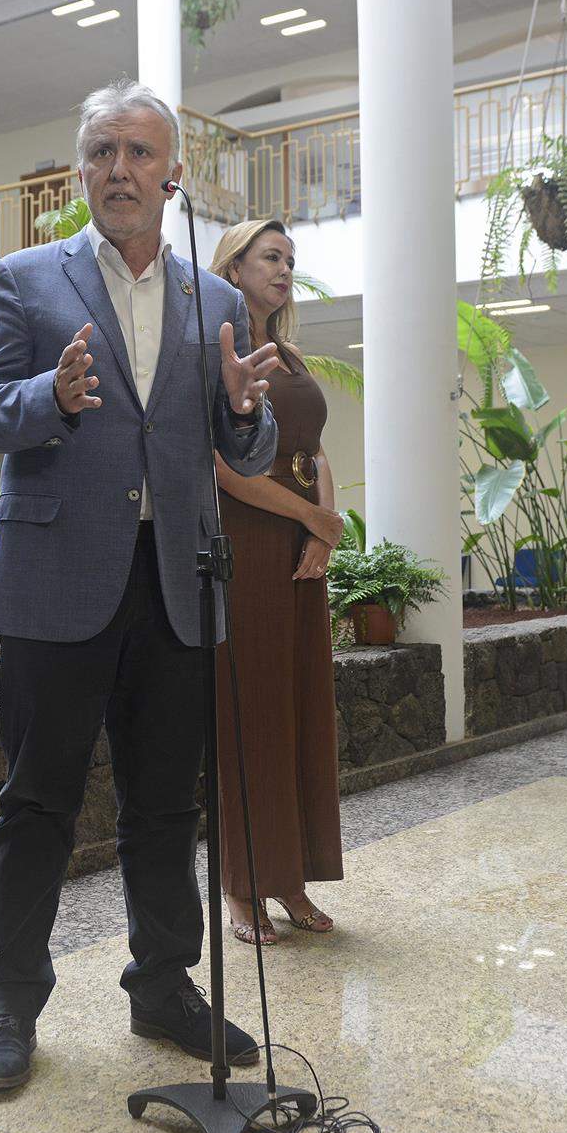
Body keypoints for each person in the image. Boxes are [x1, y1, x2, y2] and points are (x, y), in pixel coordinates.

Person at [0, 78, 282, 1093]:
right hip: (58, 582)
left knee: (164, 809)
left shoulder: (213, 297)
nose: (119, 171)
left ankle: (165, 986)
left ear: (173, 174)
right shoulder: (24, 280)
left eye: (140, 153)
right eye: (102, 153)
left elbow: (250, 449)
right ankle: (12, 1005)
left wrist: (238, 412)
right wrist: (47, 397)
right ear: (80, 169)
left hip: (175, 583)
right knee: (38, 803)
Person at [207, 220, 343, 946]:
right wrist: (311, 520)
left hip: (298, 546)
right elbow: (226, 470)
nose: (286, 269)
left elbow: (314, 448)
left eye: (291, 259)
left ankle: (290, 877)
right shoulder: (214, 351)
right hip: (247, 543)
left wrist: (325, 520)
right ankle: (240, 887)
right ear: (233, 266)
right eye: (271, 256)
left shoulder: (286, 353)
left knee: (298, 708)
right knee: (250, 715)